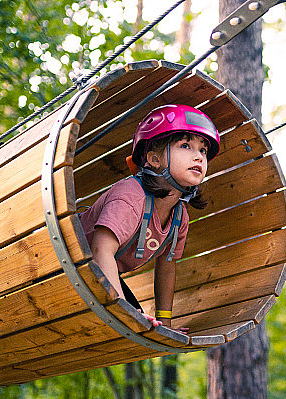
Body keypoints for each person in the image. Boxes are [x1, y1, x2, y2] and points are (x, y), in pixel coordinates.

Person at [79, 104, 220, 329]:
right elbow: (100, 250)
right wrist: (123, 312)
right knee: (132, 324)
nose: (198, 157)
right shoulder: (130, 196)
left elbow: (166, 266)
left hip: (97, 275)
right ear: (154, 159)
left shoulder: (179, 217)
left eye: (203, 150)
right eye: (185, 146)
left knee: (147, 329)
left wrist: (165, 323)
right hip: (69, 265)